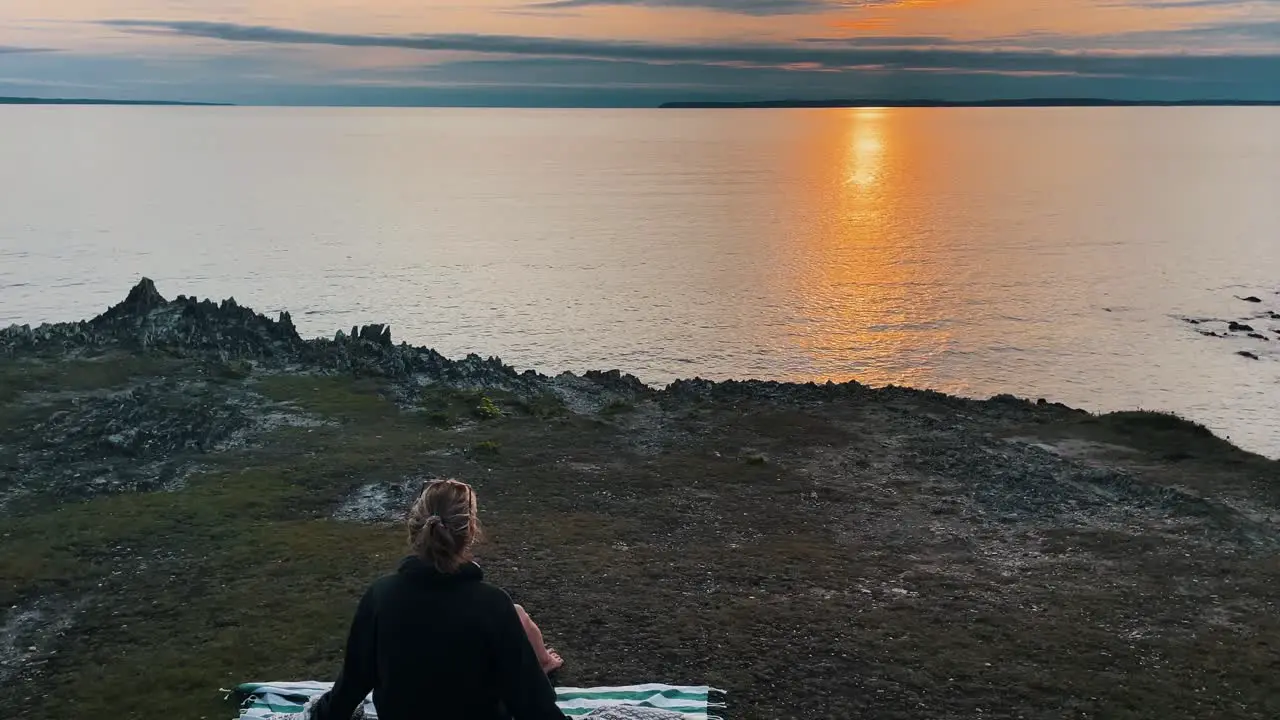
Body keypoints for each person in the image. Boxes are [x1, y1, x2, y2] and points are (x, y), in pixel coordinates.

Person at [302, 478, 568, 720]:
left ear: (414, 527)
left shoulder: (381, 597)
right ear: (470, 531)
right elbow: (532, 704)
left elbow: (351, 686)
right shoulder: (493, 605)